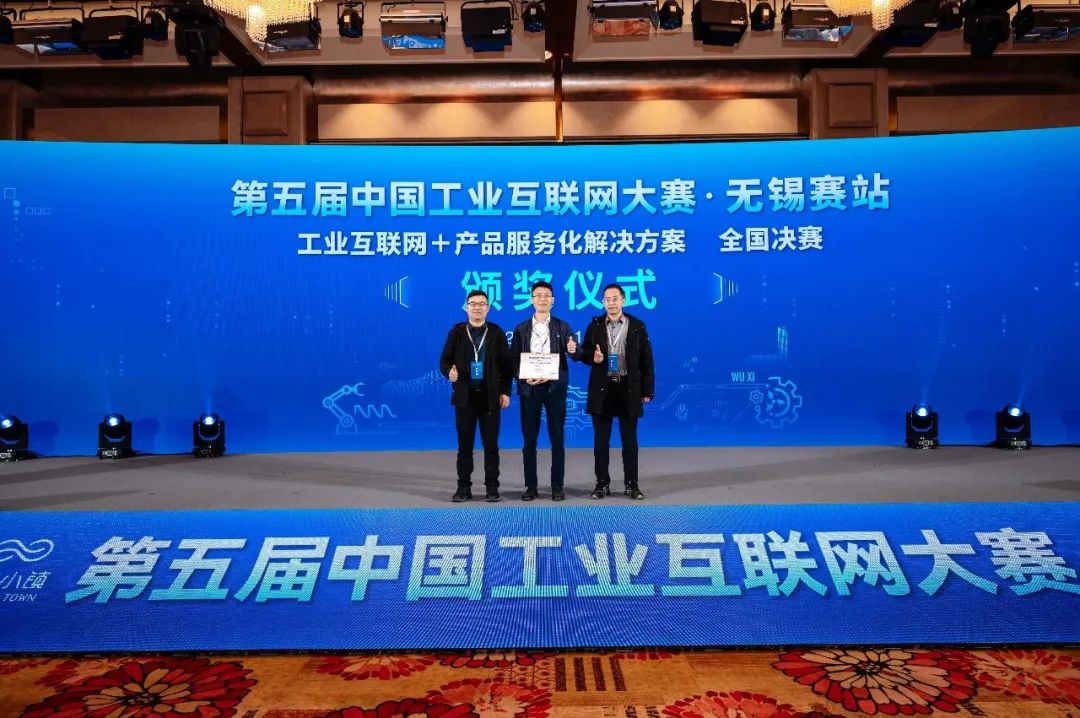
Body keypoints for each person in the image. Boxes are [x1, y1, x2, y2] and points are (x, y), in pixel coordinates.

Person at [575, 283, 654, 500]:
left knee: (630, 442)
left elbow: (646, 360)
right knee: (601, 442)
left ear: (623, 300)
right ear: (603, 302)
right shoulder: (595, 325)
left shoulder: (637, 325)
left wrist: (647, 390)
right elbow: (584, 353)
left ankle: (632, 484)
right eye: (607, 300)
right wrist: (592, 357)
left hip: (628, 388)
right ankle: (602, 484)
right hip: (603, 389)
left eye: (615, 299)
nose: (611, 303)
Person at [439, 289, 512, 502]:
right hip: (465, 397)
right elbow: (444, 361)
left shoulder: (496, 333)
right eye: (473, 304)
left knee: (491, 446)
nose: (477, 307)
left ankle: (492, 487)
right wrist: (449, 372)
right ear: (466, 307)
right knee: (465, 446)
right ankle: (463, 487)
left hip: (490, 397)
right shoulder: (457, 333)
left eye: (482, 304)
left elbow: (507, 367)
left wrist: (505, 392)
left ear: (488, 308)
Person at [509, 281, 578, 502]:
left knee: (557, 439)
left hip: (554, 389)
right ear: (531, 300)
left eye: (546, 295)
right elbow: (513, 360)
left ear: (553, 300)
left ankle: (557, 486)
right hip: (530, 389)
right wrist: (523, 376)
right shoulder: (521, 329)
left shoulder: (562, 326)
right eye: (538, 295)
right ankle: (531, 486)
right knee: (529, 440)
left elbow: (575, 353)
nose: (542, 299)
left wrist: (574, 349)